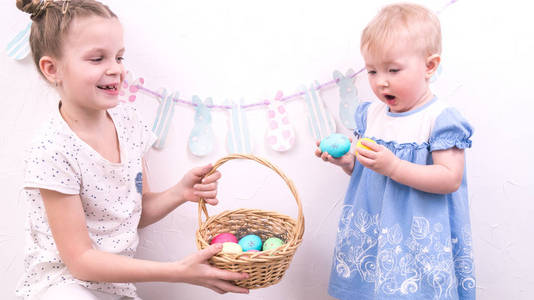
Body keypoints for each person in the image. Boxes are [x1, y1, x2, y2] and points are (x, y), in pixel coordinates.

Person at [14, 0, 249, 299]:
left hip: (114, 287)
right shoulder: (51, 151)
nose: (116, 69)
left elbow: (131, 213)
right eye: (97, 59)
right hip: (62, 286)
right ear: (52, 69)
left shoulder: (128, 122)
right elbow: (81, 262)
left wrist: (179, 192)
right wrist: (178, 271)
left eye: (119, 57)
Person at [315, 3, 476, 299]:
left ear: (429, 66)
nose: (381, 81)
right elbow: (367, 171)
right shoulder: (371, 115)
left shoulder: (440, 119)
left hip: (415, 239)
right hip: (375, 236)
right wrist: (348, 160)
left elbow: (449, 178)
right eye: (372, 71)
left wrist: (394, 167)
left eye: (393, 70)